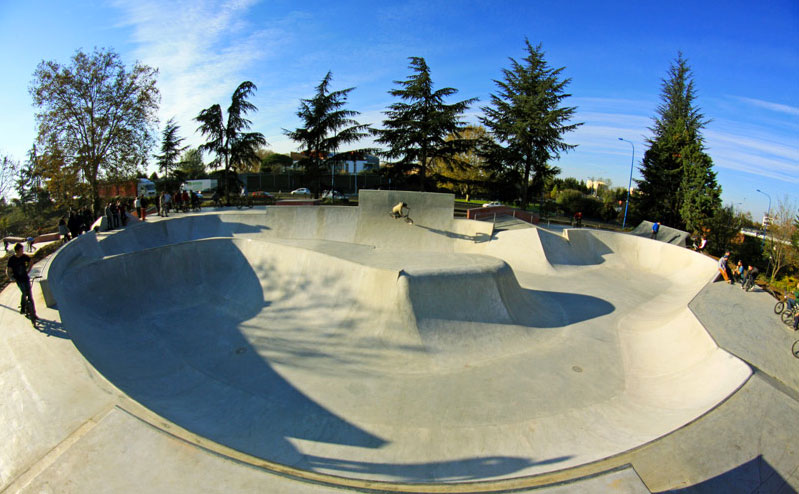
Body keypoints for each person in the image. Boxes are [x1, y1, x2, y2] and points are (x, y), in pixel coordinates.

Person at [5, 243, 36, 320]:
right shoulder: (12, 259)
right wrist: (11, 277)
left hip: (25, 278)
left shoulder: (24, 256)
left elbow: (31, 261)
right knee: (24, 292)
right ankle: (23, 307)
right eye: (21, 250)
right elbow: (8, 270)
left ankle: (34, 314)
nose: (22, 251)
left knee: (30, 295)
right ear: (17, 251)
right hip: (18, 279)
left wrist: (28, 270)